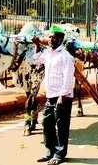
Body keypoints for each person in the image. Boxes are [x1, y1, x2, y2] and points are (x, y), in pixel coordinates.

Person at [32, 25, 75, 165]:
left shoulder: (66, 56)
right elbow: (37, 59)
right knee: (47, 123)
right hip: (51, 95)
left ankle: (60, 154)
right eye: (49, 37)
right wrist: (37, 45)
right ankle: (49, 151)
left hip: (63, 96)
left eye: (54, 37)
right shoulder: (48, 53)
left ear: (61, 39)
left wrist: (63, 96)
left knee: (61, 125)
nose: (50, 39)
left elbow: (68, 77)